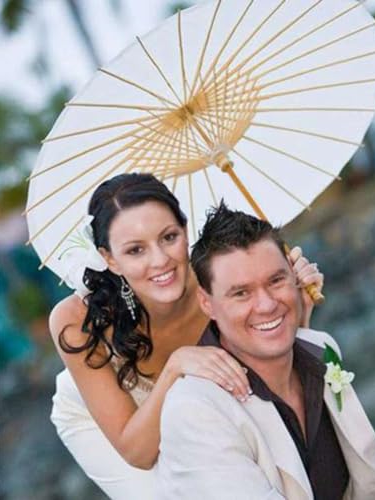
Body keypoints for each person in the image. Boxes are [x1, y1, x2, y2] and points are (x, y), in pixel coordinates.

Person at [157, 202, 375, 500]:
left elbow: (364, 457)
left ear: (295, 276)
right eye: (241, 293)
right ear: (207, 303)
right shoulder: (195, 410)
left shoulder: (319, 350)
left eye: (276, 280)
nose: (267, 304)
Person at [48, 173, 323, 499]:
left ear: (185, 229)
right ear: (110, 259)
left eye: (169, 237)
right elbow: (137, 453)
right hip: (113, 425)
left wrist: (295, 309)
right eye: (136, 250)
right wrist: (175, 367)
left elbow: (272, 376)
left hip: (196, 403)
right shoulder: (76, 321)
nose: (160, 260)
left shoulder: (215, 284)